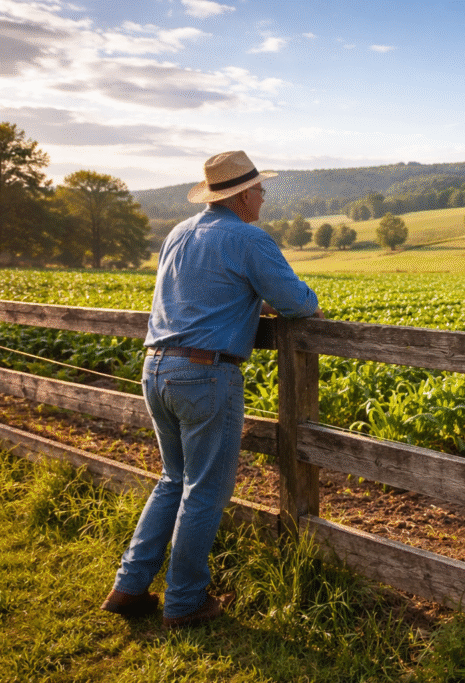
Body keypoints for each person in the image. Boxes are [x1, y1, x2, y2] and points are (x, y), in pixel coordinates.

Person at [101, 151, 323, 628]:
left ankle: (129, 585)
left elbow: (198, 294)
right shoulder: (249, 239)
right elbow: (297, 303)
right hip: (205, 374)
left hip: (156, 367)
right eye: (260, 189)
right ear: (242, 195)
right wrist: (286, 302)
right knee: (204, 491)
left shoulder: (179, 232)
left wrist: (245, 302)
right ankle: (184, 602)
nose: (264, 195)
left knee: (172, 479)